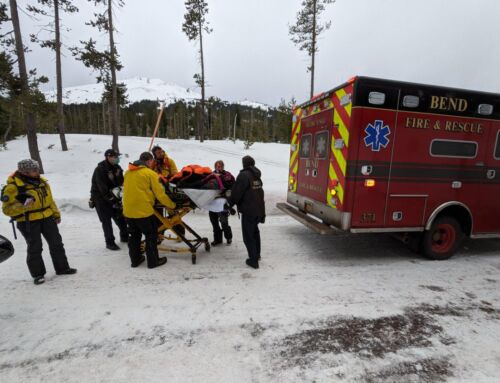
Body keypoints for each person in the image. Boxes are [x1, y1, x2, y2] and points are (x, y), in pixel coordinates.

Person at [1, 159, 77, 285]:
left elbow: (50, 200)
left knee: (56, 243)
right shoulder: (12, 187)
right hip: (28, 221)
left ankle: (62, 268)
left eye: (37, 168)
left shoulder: (42, 182)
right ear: (24, 172)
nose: (37, 171)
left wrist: (56, 214)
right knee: (35, 247)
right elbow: (6, 209)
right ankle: (38, 275)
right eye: (34, 169)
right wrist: (23, 206)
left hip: (47, 217)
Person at [122, 152, 176, 269]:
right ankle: (153, 261)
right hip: (143, 211)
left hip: (128, 211)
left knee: (134, 236)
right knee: (151, 235)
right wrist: (172, 205)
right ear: (149, 161)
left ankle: (135, 260)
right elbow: (160, 195)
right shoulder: (150, 174)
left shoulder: (127, 173)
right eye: (152, 161)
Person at [228, 155, 265, 269]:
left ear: (244, 164)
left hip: (249, 210)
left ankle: (253, 260)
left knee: (248, 236)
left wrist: (229, 203)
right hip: (258, 209)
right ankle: (257, 255)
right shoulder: (256, 175)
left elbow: (236, 193)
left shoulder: (244, 175)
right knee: (255, 233)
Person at [90, 149, 128, 250]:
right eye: (115, 157)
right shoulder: (100, 169)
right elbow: (102, 188)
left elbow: (121, 182)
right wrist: (111, 199)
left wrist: (121, 196)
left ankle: (125, 236)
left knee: (120, 218)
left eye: (118, 157)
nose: (117, 159)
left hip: (115, 196)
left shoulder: (118, 168)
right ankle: (109, 242)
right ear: (108, 157)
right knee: (106, 221)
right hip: (100, 199)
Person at [206, 160, 235, 246]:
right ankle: (217, 240)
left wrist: (221, 178)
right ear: (215, 167)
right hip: (213, 202)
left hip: (223, 202)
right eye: (217, 166)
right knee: (214, 222)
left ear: (223, 166)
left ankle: (228, 237)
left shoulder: (228, 175)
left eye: (220, 166)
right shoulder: (211, 175)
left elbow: (233, 185)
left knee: (224, 222)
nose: (219, 168)